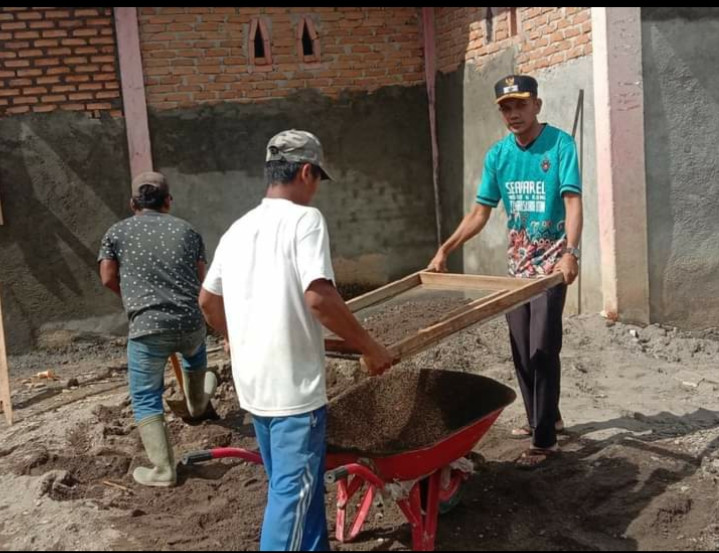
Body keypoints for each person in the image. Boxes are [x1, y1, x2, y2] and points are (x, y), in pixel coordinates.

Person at [199, 130, 394, 550]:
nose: (317, 188)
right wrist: (369, 346)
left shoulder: (238, 228)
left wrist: (236, 338)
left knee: (299, 494)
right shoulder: (306, 220)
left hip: (255, 389)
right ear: (307, 172)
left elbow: (208, 301)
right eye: (318, 178)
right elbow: (319, 298)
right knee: (290, 498)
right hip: (293, 394)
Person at [428, 75, 583, 469]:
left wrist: (571, 253)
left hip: (549, 268)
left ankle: (544, 440)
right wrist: (446, 249)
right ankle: (542, 417)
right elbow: (481, 212)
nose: (513, 114)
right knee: (521, 351)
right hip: (514, 271)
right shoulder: (499, 155)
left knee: (543, 349)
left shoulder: (560, 145)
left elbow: (572, 203)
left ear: (537, 105)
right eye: (506, 108)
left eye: (520, 105)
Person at [98, 171, 216, 487]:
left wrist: (134, 298)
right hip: (191, 322)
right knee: (194, 362)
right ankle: (197, 403)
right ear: (168, 201)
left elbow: (108, 277)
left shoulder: (116, 233)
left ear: (132, 203)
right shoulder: (188, 231)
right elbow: (202, 279)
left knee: (146, 396)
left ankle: (163, 471)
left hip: (148, 329)